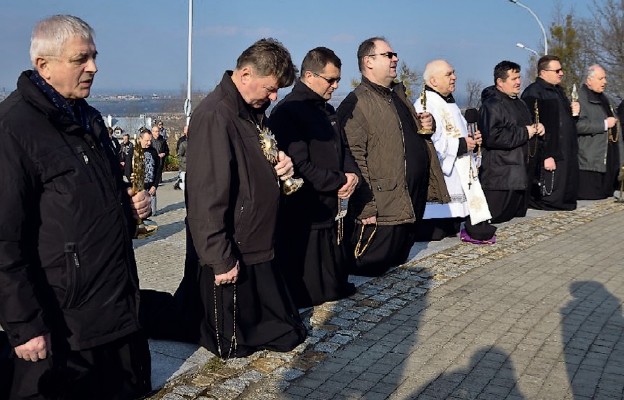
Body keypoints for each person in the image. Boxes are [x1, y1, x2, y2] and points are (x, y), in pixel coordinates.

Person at [0, 15, 152, 399]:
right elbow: (4, 239)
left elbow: (88, 199)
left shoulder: (89, 119)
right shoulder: (14, 130)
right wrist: (24, 325)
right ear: (44, 66)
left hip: (115, 307)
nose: (94, 68)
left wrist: (128, 206)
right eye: (80, 59)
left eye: (94, 57)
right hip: (62, 320)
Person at [179, 38, 307, 358]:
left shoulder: (251, 109)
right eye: (270, 88)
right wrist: (220, 258)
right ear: (246, 74)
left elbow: (257, 154)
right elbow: (206, 195)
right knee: (234, 343)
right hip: (231, 248)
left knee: (287, 331)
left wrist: (280, 161)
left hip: (256, 242)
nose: (274, 96)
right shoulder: (215, 115)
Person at [336, 37, 447, 277]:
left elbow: (404, 133)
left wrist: (428, 123)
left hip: (409, 200)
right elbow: (353, 158)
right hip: (384, 207)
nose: (395, 58)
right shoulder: (357, 102)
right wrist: (365, 207)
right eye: (388, 55)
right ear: (369, 62)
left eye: (394, 54)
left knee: (396, 262)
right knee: (369, 266)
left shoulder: (396, 95)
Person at [268, 47, 359, 308]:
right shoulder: (289, 111)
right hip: (304, 214)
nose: (335, 85)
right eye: (330, 79)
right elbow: (298, 165)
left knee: (332, 285)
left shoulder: (327, 110)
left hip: (330, 212)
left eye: (338, 79)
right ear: (309, 75)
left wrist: (351, 175)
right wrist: (338, 181)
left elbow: (343, 149)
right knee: (309, 292)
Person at [414, 59, 496, 244]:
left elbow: (461, 133)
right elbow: (428, 143)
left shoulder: (449, 104)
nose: (454, 77)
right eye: (448, 74)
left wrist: (473, 142)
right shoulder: (425, 105)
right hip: (441, 178)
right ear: (433, 81)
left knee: (451, 224)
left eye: (453, 73)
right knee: (436, 230)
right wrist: (460, 145)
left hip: (459, 171)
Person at [478, 60, 545, 224]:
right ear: (500, 82)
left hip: (519, 174)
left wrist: (537, 128)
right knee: (495, 221)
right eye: (514, 79)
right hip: (501, 177)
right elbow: (492, 137)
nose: (519, 82)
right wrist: (525, 132)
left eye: (519, 77)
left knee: (513, 223)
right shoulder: (492, 105)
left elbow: (524, 129)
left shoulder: (519, 102)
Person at [521, 55, 579, 211]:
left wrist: (574, 113)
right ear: (543, 72)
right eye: (557, 70)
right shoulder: (534, 92)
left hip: (565, 152)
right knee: (550, 194)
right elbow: (533, 127)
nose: (561, 73)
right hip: (549, 154)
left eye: (561, 70)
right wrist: (546, 155)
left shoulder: (559, 91)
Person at [576, 64, 621, 200]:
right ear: (589, 80)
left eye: (605, 78)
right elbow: (578, 126)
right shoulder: (580, 99)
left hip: (608, 160)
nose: (605, 82)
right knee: (592, 200)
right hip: (590, 162)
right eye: (601, 79)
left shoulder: (605, 98)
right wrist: (604, 124)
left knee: (605, 199)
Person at [139, 128, 160, 214]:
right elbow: (128, 171)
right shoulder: (134, 151)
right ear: (140, 139)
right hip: (139, 190)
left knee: (153, 213)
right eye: (146, 140)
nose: (149, 143)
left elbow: (158, 170)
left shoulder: (153, 151)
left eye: (150, 140)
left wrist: (155, 186)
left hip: (151, 189)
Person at [173, 125, 188, 191]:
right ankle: (179, 184)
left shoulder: (196, 141)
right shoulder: (182, 142)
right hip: (184, 166)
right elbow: (179, 154)